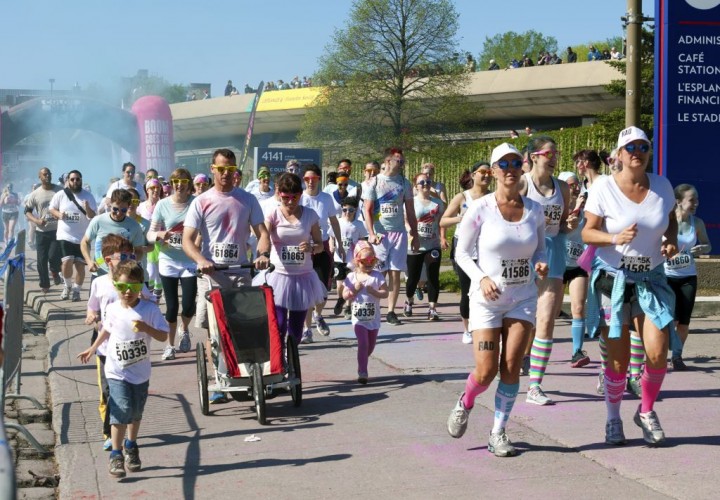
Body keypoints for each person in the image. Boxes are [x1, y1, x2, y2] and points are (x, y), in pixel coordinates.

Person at [446, 143, 548, 457]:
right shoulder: (479, 208)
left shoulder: (535, 210)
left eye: (515, 163)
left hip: (522, 298)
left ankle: (498, 432)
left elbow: (541, 248)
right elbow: (461, 254)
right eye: (503, 165)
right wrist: (482, 278)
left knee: (511, 366)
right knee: (486, 370)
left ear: (523, 168)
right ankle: (466, 402)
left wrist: (541, 263)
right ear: (493, 171)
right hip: (487, 300)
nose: (509, 169)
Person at [583, 126, 678, 446]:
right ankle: (613, 417)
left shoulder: (663, 185)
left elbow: (670, 217)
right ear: (619, 155)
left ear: (649, 151)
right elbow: (587, 233)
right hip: (614, 281)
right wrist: (614, 238)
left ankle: (646, 410)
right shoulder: (603, 188)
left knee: (658, 352)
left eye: (643, 146)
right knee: (619, 362)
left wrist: (670, 240)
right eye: (630, 147)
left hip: (651, 279)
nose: (636, 151)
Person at [182, 148, 271, 404]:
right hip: (211, 275)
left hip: (241, 272)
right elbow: (188, 240)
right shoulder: (201, 201)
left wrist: (262, 253)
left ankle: (251, 375)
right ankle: (220, 378)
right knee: (215, 331)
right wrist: (201, 260)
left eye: (230, 170)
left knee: (246, 326)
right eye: (221, 169)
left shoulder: (248, 199)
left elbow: (262, 233)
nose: (225, 174)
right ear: (213, 169)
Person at [77, 260, 169, 478]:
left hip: (140, 372)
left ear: (141, 287)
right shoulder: (112, 308)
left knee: (135, 413)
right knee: (120, 411)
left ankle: (131, 445)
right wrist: (92, 349)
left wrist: (147, 328)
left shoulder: (149, 309)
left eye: (134, 287)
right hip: (116, 370)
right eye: (122, 287)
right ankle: (116, 454)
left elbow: (163, 335)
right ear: (115, 286)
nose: (128, 292)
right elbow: (106, 330)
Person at [85, 235, 154, 452]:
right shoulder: (99, 283)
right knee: (108, 392)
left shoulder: (135, 284)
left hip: (131, 350)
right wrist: (91, 316)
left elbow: (150, 301)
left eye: (131, 256)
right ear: (108, 260)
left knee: (132, 396)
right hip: (105, 348)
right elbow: (92, 307)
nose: (127, 259)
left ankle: (126, 433)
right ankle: (110, 434)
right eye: (122, 256)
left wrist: (143, 297)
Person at [518, 136, 573, 405]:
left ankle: (534, 386)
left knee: (547, 318)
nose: (553, 157)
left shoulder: (563, 187)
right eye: (548, 153)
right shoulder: (522, 183)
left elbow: (563, 225)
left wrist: (570, 224)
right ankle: (513, 358)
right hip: (525, 253)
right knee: (521, 317)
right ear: (534, 156)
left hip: (554, 252)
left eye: (555, 153)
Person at [264, 173, 327, 348]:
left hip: (303, 276)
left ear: (300, 195)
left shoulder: (310, 215)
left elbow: (320, 245)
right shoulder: (273, 214)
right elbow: (264, 237)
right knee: (280, 323)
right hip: (279, 276)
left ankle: (291, 357)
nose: (290, 202)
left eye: (295, 197)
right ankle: (280, 360)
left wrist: (312, 248)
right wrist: (263, 253)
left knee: (297, 328)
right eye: (286, 197)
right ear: (279, 195)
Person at [362, 148, 419, 326]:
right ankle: (375, 307)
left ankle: (391, 311)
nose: (401, 164)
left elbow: (410, 210)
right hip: (380, 234)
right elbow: (368, 210)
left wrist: (415, 234)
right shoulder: (374, 182)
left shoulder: (404, 182)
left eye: (402, 162)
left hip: (399, 233)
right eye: (398, 161)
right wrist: (371, 233)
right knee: (379, 272)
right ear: (387, 162)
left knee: (396, 273)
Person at [440, 161, 493, 344]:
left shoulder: (494, 197)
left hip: (487, 249)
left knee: (485, 289)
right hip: (465, 249)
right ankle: (467, 328)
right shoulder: (462, 197)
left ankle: (483, 326)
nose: (486, 175)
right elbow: (443, 221)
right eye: (482, 172)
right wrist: (460, 218)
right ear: (473, 175)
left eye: (489, 172)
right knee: (467, 291)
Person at [148, 168, 197, 361]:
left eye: (183, 181)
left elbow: (202, 228)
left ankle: (184, 330)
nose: (179, 184)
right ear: (171, 184)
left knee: (187, 304)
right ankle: (170, 345)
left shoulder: (195, 203)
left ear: (188, 183)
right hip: (168, 259)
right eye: (175, 181)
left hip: (189, 260)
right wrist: (159, 235)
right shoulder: (162, 205)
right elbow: (150, 234)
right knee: (171, 306)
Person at [665, 184, 711, 371]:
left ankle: (677, 356)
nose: (696, 204)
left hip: (688, 277)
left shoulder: (697, 223)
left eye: (697, 200)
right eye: (692, 200)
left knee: (684, 321)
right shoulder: (666, 222)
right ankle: (658, 350)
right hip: (667, 277)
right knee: (671, 320)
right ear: (678, 201)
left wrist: (702, 248)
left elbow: (707, 245)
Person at [300, 164, 345, 342]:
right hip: (305, 248)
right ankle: (306, 329)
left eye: (314, 179)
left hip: (323, 246)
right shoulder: (300, 198)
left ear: (319, 180)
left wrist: (340, 243)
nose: (310, 182)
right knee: (307, 291)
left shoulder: (326, 198)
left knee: (323, 289)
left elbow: (334, 222)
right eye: (307, 179)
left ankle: (319, 315)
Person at [343, 241, 389, 384]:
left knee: (370, 346)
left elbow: (386, 293)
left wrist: (375, 292)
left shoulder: (377, 276)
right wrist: (354, 290)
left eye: (372, 260)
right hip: (358, 318)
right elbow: (344, 295)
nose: (369, 264)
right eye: (365, 261)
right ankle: (363, 371)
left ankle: (362, 359)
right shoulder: (351, 277)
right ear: (357, 261)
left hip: (373, 318)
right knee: (363, 343)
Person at [48, 170, 97, 301]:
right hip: (65, 235)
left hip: (82, 237)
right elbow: (51, 208)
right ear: (68, 181)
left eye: (78, 179)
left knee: (80, 266)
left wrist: (87, 208)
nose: (75, 182)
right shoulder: (61, 194)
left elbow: (92, 215)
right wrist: (59, 215)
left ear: (81, 180)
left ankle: (76, 290)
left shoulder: (88, 196)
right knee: (67, 262)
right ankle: (67, 286)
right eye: (72, 179)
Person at [557, 171, 590, 367]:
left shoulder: (586, 210)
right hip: (558, 266)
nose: (575, 187)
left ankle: (577, 351)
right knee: (549, 314)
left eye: (577, 184)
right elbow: (562, 229)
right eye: (570, 184)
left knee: (578, 307)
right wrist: (576, 207)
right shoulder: (559, 208)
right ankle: (530, 352)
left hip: (578, 264)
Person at [403, 172, 445, 321]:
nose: (425, 185)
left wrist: (443, 237)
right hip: (415, 245)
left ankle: (432, 308)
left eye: (428, 182)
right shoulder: (411, 202)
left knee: (433, 277)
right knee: (413, 279)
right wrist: (410, 229)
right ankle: (409, 301)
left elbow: (441, 222)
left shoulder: (437, 203)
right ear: (416, 186)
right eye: (422, 183)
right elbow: (405, 219)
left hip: (433, 244)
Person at [81, 189, 146, 277]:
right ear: (110, 204)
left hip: (123, 274)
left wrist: (132, 263)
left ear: (128, 207)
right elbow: (84, 242)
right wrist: (89, 261)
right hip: (100, 272)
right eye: (115, 209)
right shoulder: (98, 220)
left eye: (123, 210)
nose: (118, 213)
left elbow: (139, 251)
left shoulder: (134, 225)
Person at [25, 167, 62, 292]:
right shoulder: (35, 194)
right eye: (45, 174)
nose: (47, 176)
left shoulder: (60, 191)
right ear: (40, 177)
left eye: (49, 174)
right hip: (41, 231)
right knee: (41, 260)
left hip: (57, 230)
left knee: (53, 256)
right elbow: (27, 211)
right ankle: (45, 285)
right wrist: (36, 221)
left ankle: (55, 271)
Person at [331, 196, 368, 318]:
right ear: (342, 209)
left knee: (351, 284)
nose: (348, 213)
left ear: (355, 211)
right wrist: (332, 247)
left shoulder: (359, 225)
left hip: (352, 260)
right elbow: (331, 237)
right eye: (345, 210)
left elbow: (362, 241)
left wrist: (363, 253)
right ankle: (341, 299)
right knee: (340, 285)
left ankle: (348, 306)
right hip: (339, 258)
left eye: (351, 210)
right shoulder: (337, 222)